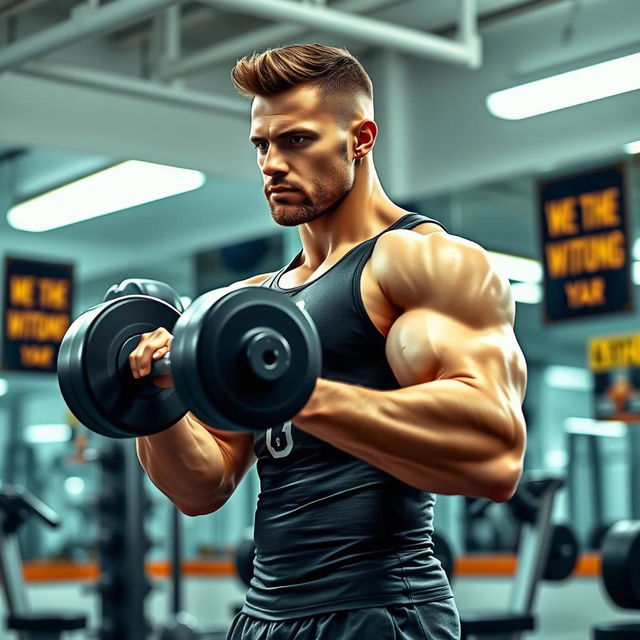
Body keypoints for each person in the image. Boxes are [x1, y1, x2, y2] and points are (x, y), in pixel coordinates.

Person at [133, 44, 527, 640]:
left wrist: (293, 393)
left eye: (295, 140)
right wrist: (150, 402)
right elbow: (203, 486)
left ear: (360, 138)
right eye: (262, 145)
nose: (270, 163)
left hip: (383, 612)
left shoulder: (422, 262)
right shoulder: (256, 300)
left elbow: (495, 450)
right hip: (265, 616)